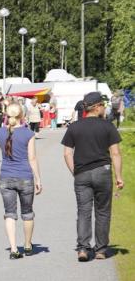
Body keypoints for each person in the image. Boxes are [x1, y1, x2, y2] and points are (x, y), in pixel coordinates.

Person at [61, 92, 123, 262]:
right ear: (96, 107)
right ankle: (101, 250)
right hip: (103, 172)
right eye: (103, 105)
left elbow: (67, 153)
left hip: (81, 174)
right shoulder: (108, 126)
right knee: (103, 212)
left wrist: (75, 171)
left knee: (83, 211)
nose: (104, 108)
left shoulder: (74, 127)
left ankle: (82, 248)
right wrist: (119, 176)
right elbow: (115, 153)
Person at [0, 103, 42, 259]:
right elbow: (32, 158)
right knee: (27, 213)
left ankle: (14, 249)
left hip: (6, 177)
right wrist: (38, 179)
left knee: (9, 214)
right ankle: (27, 245)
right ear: (22, 116)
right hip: (25, 176)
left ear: (6, 115)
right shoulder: (28, 134)